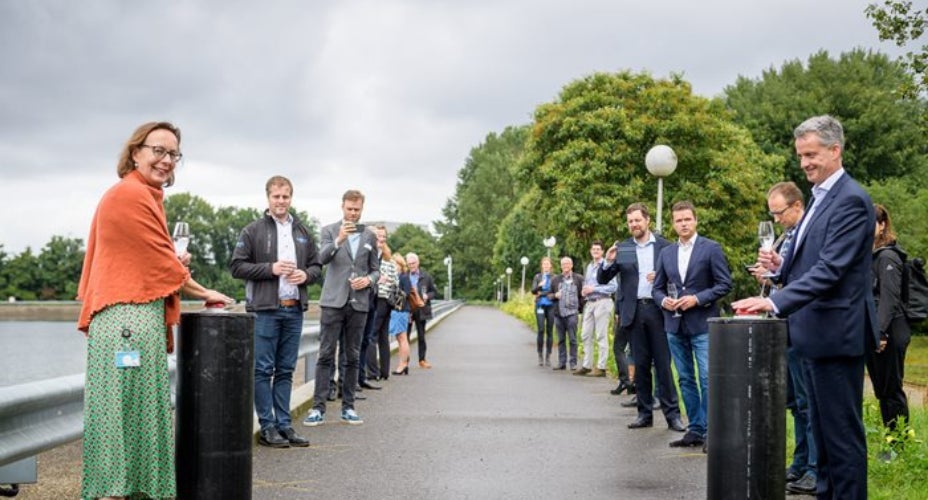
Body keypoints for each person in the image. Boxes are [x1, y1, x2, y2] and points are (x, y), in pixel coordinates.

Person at [77, 121, 233, 499]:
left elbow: (153, 260)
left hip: (128, 321)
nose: (166, 161)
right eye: (157, 151)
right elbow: (164, 267)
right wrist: (204, 289)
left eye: (173, 154)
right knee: (127, 419)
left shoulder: (141, 196)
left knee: (130, 416)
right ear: (135, 152)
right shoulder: (129, 196)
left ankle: (125, 493)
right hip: (127, 322)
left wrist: (175, 265)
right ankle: (119, 494)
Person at [733, 115, 877, 499]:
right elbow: (813, 262)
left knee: (841, 441)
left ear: (835, 150)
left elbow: (832, 270)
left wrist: (773, 300)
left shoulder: (851, 200)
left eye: (811, 154)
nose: (805, 163)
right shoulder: (819, 197)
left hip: (837, 336)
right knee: (823, 443)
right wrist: (782, 268)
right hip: (813, 335)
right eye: (801, 156)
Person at [230, 175, 322, 448]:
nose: (281, 201)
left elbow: (318, 267)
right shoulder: (252, 230)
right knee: (262, 370)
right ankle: (268, 427)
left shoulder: (302, 232)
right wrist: (270, 269)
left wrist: (305, 275)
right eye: (276, 197)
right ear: (268, 198)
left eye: (285, 197)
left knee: (285, 370)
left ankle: (285, 425)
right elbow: (236, 266)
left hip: (294, 310)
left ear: (291, 198)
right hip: (265, 310)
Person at [752, 182, 818, 494]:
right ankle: (801, 461)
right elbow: (787, 275)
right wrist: (771, 274)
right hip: (784, 325)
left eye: (778, 213)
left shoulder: (808, 231)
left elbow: (809, 277)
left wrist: (778, 275)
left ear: (795, 206)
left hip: (803, 322)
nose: (776, 219)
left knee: (808, 401)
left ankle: (816, 469)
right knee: (793, 400)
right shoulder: (785, 235)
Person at [653, 200, 732, 449]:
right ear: (673, 224)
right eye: (679, 220)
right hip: (674, 325)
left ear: (695, 220)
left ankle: (711, 431)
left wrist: (697, 299)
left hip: (702, 323)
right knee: (686, 379)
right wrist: (663, 300)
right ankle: (695, 429)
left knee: (708, 378)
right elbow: (656, 288)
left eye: (687, 219)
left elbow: (724, 284)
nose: (683, 223)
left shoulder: (711, 248)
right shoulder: (666, 253)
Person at [599, 203, 684, 432]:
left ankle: (673, 416)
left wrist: (662, 277)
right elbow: (603, 278)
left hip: (658, 311)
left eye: (637, 220)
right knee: (641, 366)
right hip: (633, 313)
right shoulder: (624, 248)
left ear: (647, 220)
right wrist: (607, 261)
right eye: (630, 222)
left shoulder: (665, 246)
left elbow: (679, 277)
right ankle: (644, 414)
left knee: (663, 366)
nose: (634, 224)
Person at [303, 190, 380, 427]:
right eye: (349, 209)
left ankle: (348, 408)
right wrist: (339, 239)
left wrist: (368, 280)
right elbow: (321, 258)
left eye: (357, 210)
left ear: (362, 209)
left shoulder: (369, 235)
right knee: (326, 355)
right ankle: (318, 409)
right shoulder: (328, 230)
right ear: (342, 207)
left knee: (352, 356)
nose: (353, 213)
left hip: (358, 303)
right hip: (333, 302)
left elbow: (376, 269)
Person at [869, 204, 911, 435]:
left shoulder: (888, 256)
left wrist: (880, 332)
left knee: (892, 389)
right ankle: (891, 440)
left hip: (890, 330)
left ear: (882, 224)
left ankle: (899, 443)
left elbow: (890, 298)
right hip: (878, 329)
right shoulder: (870, 255)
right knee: (882, 390)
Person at [575, 241, 616, 377]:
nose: (596, 251)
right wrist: (584, 291)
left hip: (602, 301)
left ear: (603, 251)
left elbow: (613, 287)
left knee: (601, 335)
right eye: (593, 249)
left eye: (598, 249)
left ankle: (601, 367)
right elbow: (588, 283)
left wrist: (594, 289)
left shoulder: (607, 265)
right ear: (591, 251)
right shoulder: (589, 266)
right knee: (585, 335)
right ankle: (587, 365)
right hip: (590, 302)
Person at [368, 224, 396, 380]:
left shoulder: (379, 259)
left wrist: (378, 281)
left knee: (371, 336)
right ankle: (384, 371)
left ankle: (373, 372)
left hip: (379, 299)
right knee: (383, 337)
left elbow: (378, 279)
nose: (381, 239)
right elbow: (396, 281)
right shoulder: (390, 259)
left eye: (383, 236)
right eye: (379, 236)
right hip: (388, 301)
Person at [550, 256, 585, 371]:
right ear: (561, 266)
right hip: (558, 314)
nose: (565, 266)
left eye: (567, 264)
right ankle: (561, 363)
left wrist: (579, 308)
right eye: (563, 264)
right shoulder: (555, 279)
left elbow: (583, 295)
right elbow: (548, 295)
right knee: (560, 340)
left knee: (573, 339)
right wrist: (555, 295)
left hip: (572, 314)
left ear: (572, 265)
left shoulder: (579, 278)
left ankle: (573, 363)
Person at [406, 253, 438, 369]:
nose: (411, 266)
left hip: (421, 309)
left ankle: (422, 360)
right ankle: (405, 361)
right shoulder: (404, 276)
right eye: (409, 264)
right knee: (406, 337)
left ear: (418, 263)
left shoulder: (426, 276)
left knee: (421, 336)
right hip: (408, 309)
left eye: (413, 263)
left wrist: (427, 296)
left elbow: (434, 292)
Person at [530, 257, 556, 366]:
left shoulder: (554, 277)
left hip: (551, 306)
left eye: (548, 264)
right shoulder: (537, 277)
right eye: (544, 264)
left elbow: (554, 291)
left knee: (549, 331)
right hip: (540, 305)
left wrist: (542, 293)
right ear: (542, 266)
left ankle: (548, 356)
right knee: (541, 330)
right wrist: (539, 286)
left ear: (550, 266)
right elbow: (533, 291)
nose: (546, 266)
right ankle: (540, 354)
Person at [390, 254, 413, 375]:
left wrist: (393, 289)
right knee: (400, 338)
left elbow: (407, 293)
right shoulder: (398, 277)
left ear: (400, 265)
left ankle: (403, 364)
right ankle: (403, 364)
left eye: (395, 264)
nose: (393, 266)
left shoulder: (403, 277)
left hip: (401, 310)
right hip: (398, 310)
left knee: (402, 338)